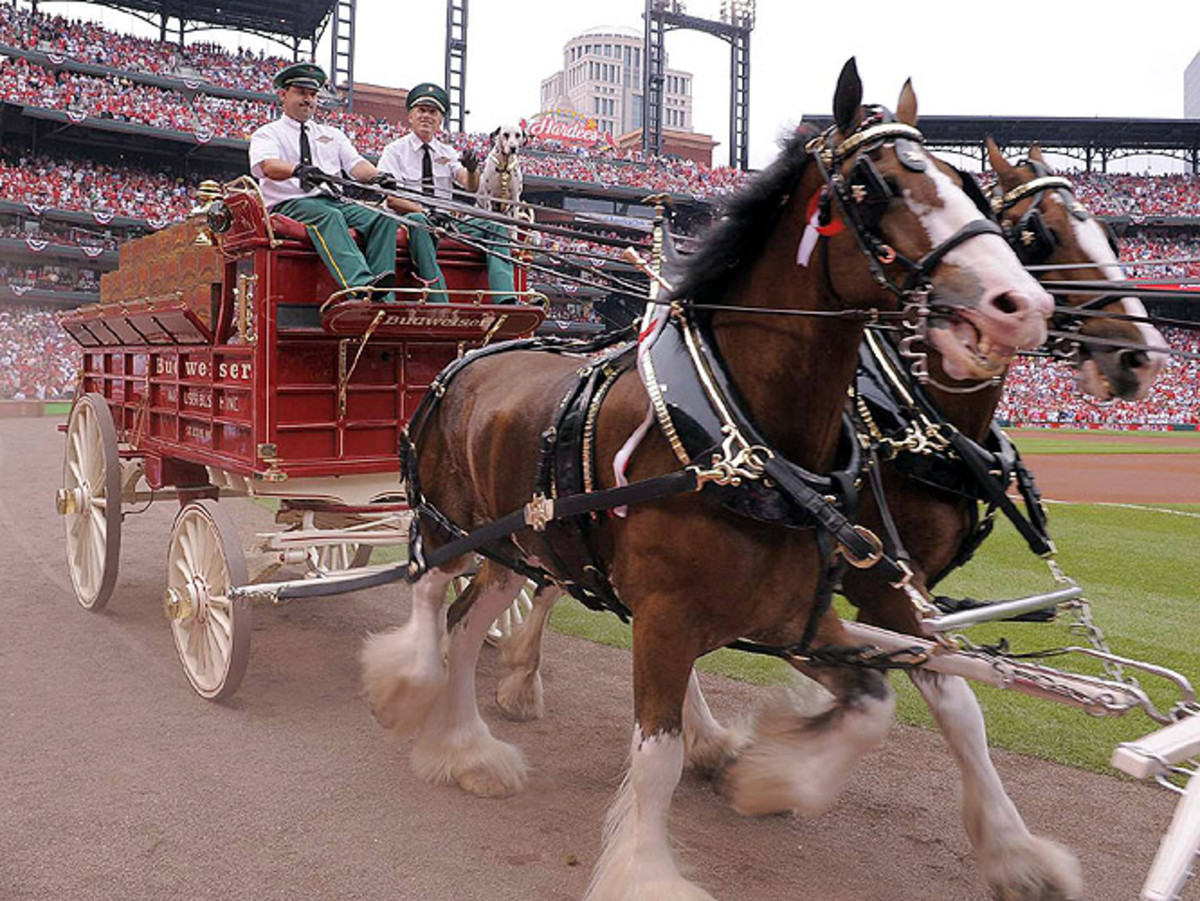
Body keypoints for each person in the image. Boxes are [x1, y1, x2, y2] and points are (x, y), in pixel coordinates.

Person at [248, 62, 398, 302]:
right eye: (301, 93)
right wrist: (299, 170)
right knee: (328, 216)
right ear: (283, 94)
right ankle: (359, 286)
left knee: (382, 217)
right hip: (290, 204)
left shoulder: (332, 134)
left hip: (333, 201)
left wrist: (378, 176)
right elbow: (268, 166)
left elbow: (356, 165)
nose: (308, 100)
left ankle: (384, 297)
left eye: (313, 94)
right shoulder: (268, 133)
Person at [377, 82, 517, 303]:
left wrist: (472, 169)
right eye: (421, 110)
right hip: (409, 221)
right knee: (419, 220)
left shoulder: (447, 152)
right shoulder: (394, 151)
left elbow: (470, 185)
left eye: (433, 112)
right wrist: (426, 213)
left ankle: (506, 299)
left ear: (440, 120)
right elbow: (392, 199)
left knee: (496, 224)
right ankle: (439, 299)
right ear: (410, 117)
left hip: (445, 223)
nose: (426, 116)